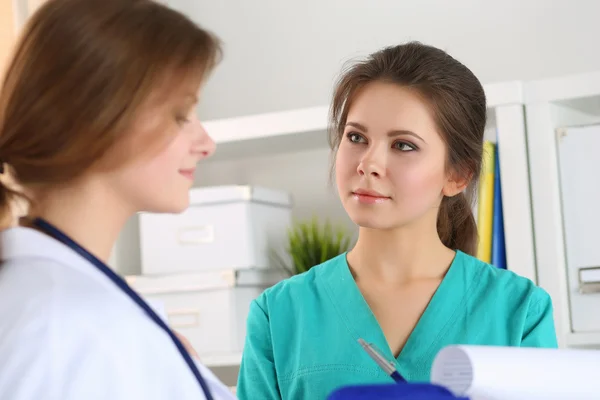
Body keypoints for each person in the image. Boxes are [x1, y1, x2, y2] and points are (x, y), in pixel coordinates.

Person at [236, 42, 558, 400]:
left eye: (403, 145)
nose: (368, 163)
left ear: (458, 175)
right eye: (356, 137)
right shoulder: (279, 315)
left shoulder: (519, 311)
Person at [0, 0, 236, 399]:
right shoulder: (60, 326)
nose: (206, 144)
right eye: (181, 116)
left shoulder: (74, 309)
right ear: (101, 121)